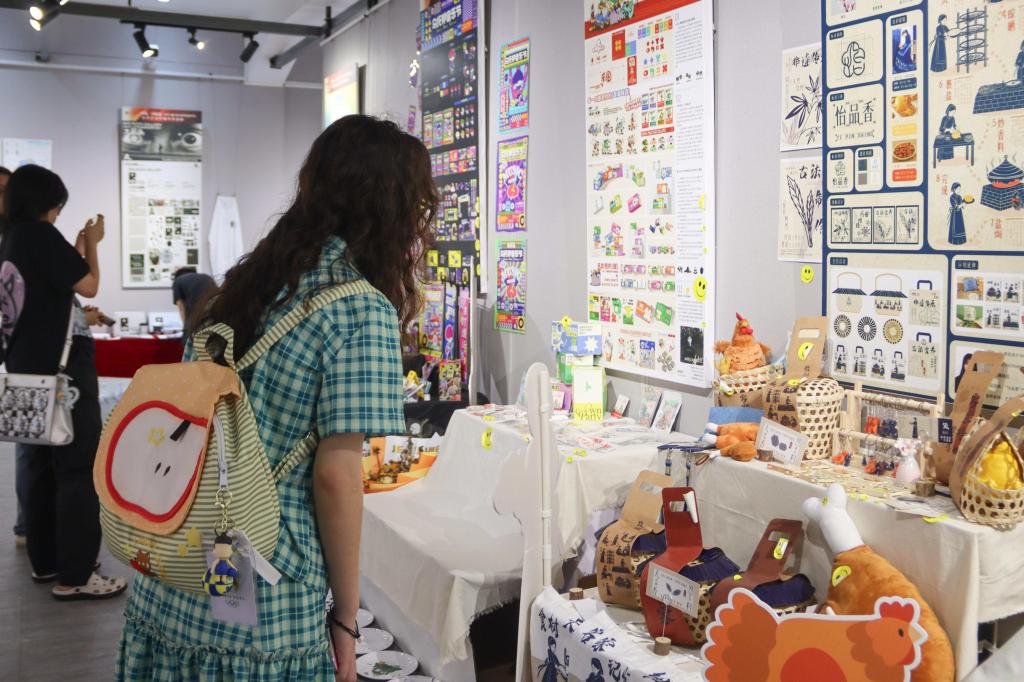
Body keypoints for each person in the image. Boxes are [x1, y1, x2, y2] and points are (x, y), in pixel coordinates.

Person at [116, 115, 436, 681]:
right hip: (267, 575)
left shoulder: (250, 284)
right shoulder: (360, 308)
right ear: (390, 209)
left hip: (183, 548)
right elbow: (336, 478)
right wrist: (346, 618)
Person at [0, 164, 127, 600]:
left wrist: (77, 247)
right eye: (57, 206)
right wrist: (93, 246)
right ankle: (77, 575)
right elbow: (89, 285)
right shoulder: (40, 234)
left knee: (40, 467)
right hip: (64, 373)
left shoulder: (12, 240)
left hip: (27, 369)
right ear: (46, 201)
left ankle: (47, 562)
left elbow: (55, 285)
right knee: (76, 468)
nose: (57, 213)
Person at [171, 266, 216, 335]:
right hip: (213, 317)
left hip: (194, 319)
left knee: (190, 338)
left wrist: (185, 327)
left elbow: (180, 306)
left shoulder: (178, 281)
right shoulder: (207, 277)